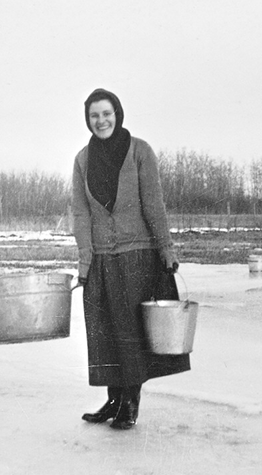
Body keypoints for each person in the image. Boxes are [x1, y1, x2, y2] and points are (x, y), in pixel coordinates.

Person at [71, 88, 190, 430]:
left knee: (130, 333)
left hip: (136, 256)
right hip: (102, 260)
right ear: (87, 119)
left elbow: (153, 204)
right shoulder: (82, 159)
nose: (101, 121)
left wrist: (166, 249)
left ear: (117, 114)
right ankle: (112, 399)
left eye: (106, 113)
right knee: (104, 332)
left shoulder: (140, 151)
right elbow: (80, 214)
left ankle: (130, 403)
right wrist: (84, 260)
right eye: (94, 115)